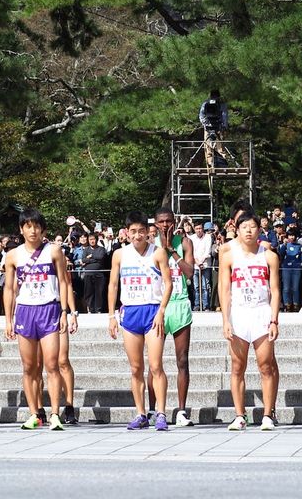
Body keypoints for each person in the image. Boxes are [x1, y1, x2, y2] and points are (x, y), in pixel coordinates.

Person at [3, 208, 75, 430]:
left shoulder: (53, 251)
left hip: (49, 310)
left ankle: (55, 413)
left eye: (36, 226)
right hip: (25, 311)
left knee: (52, 364)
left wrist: (64, 311)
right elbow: (8, 287)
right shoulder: (13, 255)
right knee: (29, 366)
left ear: (42, 229)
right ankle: (34, 412)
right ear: (21, 229)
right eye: (28, 226)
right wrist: (8, 319)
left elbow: (64, 282)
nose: (32, 230)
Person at [108, 211, 173, 431]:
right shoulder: (119, 254)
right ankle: (140, 413)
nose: (137, 236)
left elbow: (168, 283)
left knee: (156, 365)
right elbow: (113, 285)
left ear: (148, 232)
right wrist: (111, 316)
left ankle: (161, 413)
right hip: (130, 312)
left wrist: (162, 311)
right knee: (136, 368)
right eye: (133, 232)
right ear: (126, 233)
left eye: (141, 231)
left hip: (152, 311)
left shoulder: (158, 253)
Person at [219, 213, 280, 431]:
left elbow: (275, 289)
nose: (248, 231)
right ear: (236, 229)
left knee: (265, 365)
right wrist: (225, 319)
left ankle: (267, 415)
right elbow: (224, 290)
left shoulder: (269, 256)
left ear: (259, 230)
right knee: (237, 366)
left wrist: (274, 320)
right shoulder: (228, 256)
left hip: (261, 312)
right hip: (239, 313)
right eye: (244, 227)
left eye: (252, 227)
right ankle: (239, 414)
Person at [151, 207, 195, 427]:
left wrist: (172, 251)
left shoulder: (184, 242)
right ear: (155, 224)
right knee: (154, 363)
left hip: (179, 304)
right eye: (161, 222)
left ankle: (181, 410)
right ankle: (153, 409)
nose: (165, 225)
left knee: (182, 360)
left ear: (174, 221)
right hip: (157, 306)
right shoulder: (149, 246)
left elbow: (189, 273)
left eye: (169, 221)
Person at [199, 88, 229, 169]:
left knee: (213, 147)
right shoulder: (208, 104)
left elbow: (201, 116)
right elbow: (224, 116)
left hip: (216, 128)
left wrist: (206, 123)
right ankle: (214, 165)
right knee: (214, 147)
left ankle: (217, 165)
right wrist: (224, 126)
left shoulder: (207, 103)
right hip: (214, 127)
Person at [79, 232, 109, 313]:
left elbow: (101, 257)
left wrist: (90, 257)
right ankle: (91, 309)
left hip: (99, 274)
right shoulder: (86, 250)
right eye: (90, 239)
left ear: (96, 240)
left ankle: (98, 309)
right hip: (88, 274)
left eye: (93, 239)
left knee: (99, 292)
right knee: (89, 292)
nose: (92, 241)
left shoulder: (101, 249)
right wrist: (91, 259)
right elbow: (83, 260)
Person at [278, 228, 302, 312]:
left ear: (296, 236)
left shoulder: (299, 246)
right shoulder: (285, 245)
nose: (291, 237)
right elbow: (280, 255)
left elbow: (301, 257)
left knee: (295, 288)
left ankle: (296, 304)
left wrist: (301, 264)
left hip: (296, 268)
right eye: (290, 235)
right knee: (286, 288)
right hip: (286, 268)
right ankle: (287, 304)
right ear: (287, 236)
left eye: (293, 235)